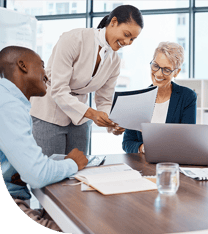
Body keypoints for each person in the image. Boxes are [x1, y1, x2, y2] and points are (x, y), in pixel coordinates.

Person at [30, 5, 143, 156]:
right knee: (50, 170)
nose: (128, 42)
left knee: (80, 170)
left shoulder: (114, 61)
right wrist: (92, 113)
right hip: (50, 111)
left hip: (80, 117)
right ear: (114, 22)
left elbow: (104, 99)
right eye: (127, 34)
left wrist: (112, 124)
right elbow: (59, 90)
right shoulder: (73, 39)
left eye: (133, 39)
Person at [0, 46, 89, 232]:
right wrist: (73, 163)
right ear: (22, 65)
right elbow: (37, 175)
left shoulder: (10, 101)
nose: (47, 74)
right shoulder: (8, 105)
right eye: (41, 65)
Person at [122, 42, 197, 153]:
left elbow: (187, 140)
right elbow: (127, 143)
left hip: (172, 163)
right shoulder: (138, 98)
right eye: (155, 66)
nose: (158, 74)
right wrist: (143, 148)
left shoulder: (187, 97)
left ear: (176, 72)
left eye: (166, 70)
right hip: (143, 164)